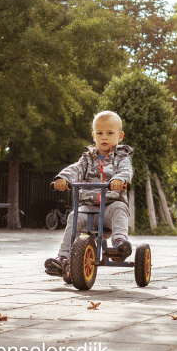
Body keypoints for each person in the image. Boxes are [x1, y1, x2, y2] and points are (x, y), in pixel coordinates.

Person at [44, 110, 133, 276]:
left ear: (120, 136)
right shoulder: (87, 158)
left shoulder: (121, 156)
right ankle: (63, 259)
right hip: (88, 209)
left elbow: (126, 170)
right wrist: (63, 178)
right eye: (99, 133)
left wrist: (120, 180)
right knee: (73, 217)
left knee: (120, 208)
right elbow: (75, 169)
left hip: (109, 208)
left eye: (109, 133)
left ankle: (120, 243)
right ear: (94, 136)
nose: (104, 137)